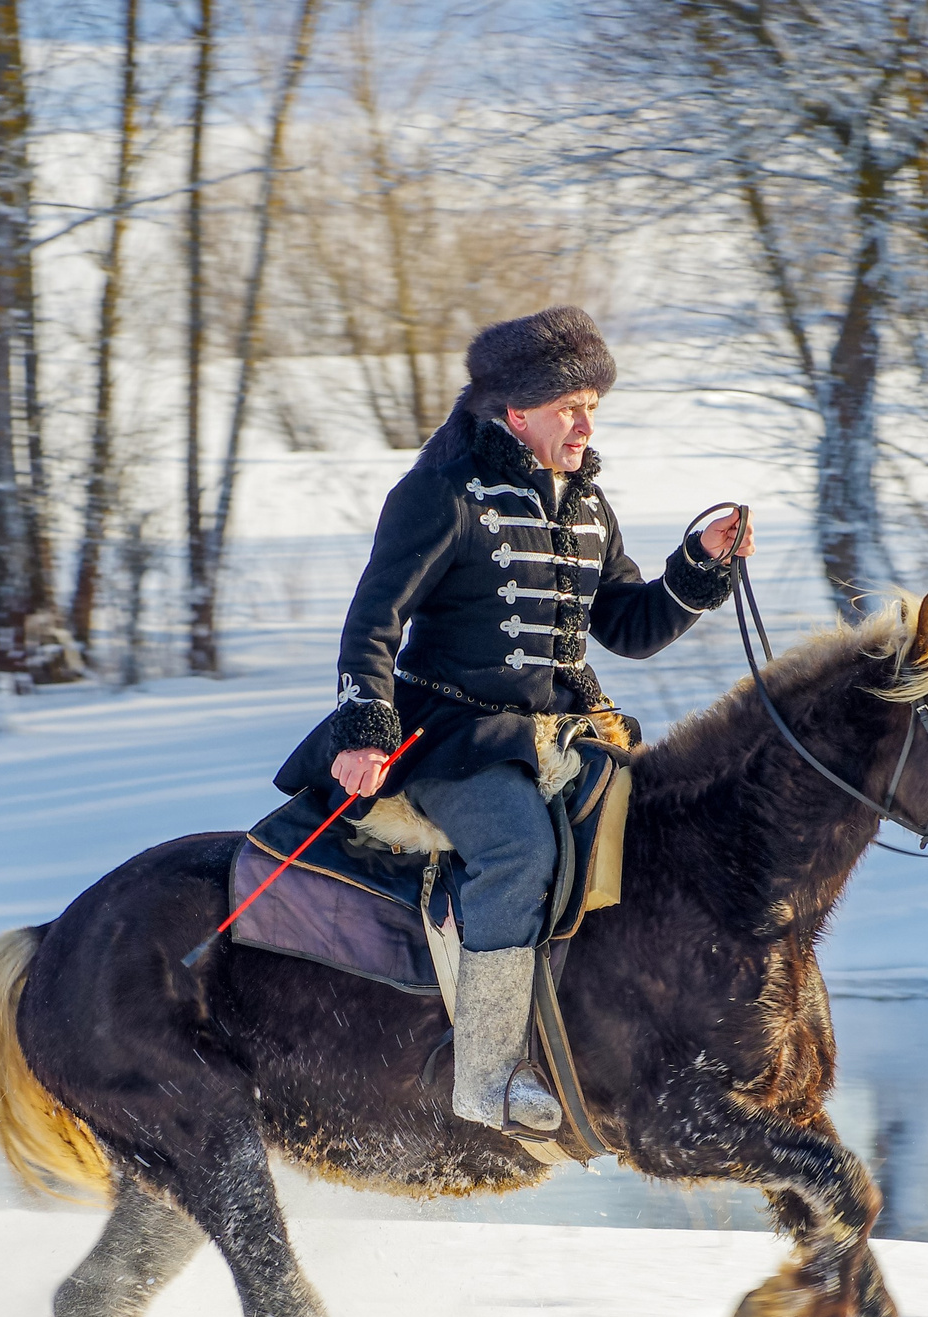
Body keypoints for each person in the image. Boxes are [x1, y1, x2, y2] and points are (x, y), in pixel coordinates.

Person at [273, 306, 756, 1134]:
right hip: (454, 737)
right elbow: (373, 621)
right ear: (516, 411)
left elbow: (630, 629)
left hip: (565, 738)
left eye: (593, 405)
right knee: (516, 848)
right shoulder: (442, 494)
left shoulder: (588, 505)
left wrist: (698, 568)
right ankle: (489, 1075)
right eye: (571, 406)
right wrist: (363, 729)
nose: (586, 422)